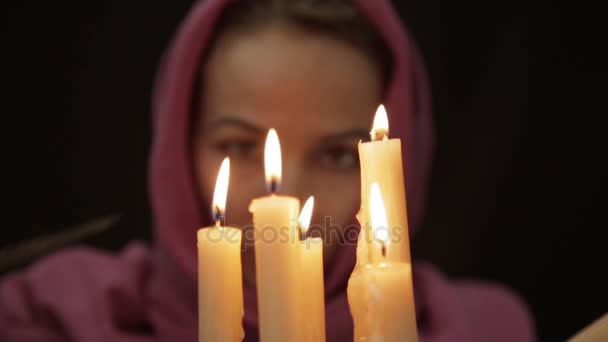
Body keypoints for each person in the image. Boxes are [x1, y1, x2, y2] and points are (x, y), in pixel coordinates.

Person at [0, 0, 535, 341]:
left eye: (339, 155)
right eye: (238, 145)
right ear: (176, 151)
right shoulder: (48, 318)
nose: (287, 204)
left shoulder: (484, 330)